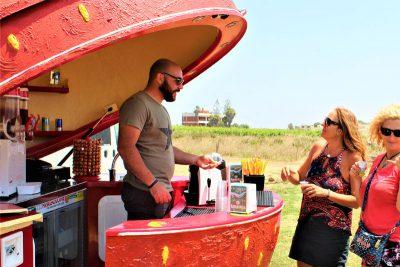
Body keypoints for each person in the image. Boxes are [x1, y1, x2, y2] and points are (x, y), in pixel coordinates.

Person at [118, 58, 218, 220]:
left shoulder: (161, 109)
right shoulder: (138, 104)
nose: (181, 87)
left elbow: (166, 148)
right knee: (146, 245)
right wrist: (153, 184)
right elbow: (126, 148)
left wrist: (196, 159)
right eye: (177, 81)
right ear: (160, 78)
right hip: (144, 193)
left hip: (158, 192)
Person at [281, 107, 366, 267]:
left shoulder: (355, 158)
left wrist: (326, 193)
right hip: (307, 225)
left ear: (340, 129)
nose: (323, 123)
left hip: (333, 234)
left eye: (328, 121)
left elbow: (357, 201)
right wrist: (289, 174)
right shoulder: (317, 147)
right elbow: (300, 178)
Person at [351, 104, 400, 266]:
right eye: (387, 131)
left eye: (398, 133)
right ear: (379, 131)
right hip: (370, 240)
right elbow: (360, 201)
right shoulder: (379, 159)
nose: (392, 137)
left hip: (392, 243)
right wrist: (356, 177)